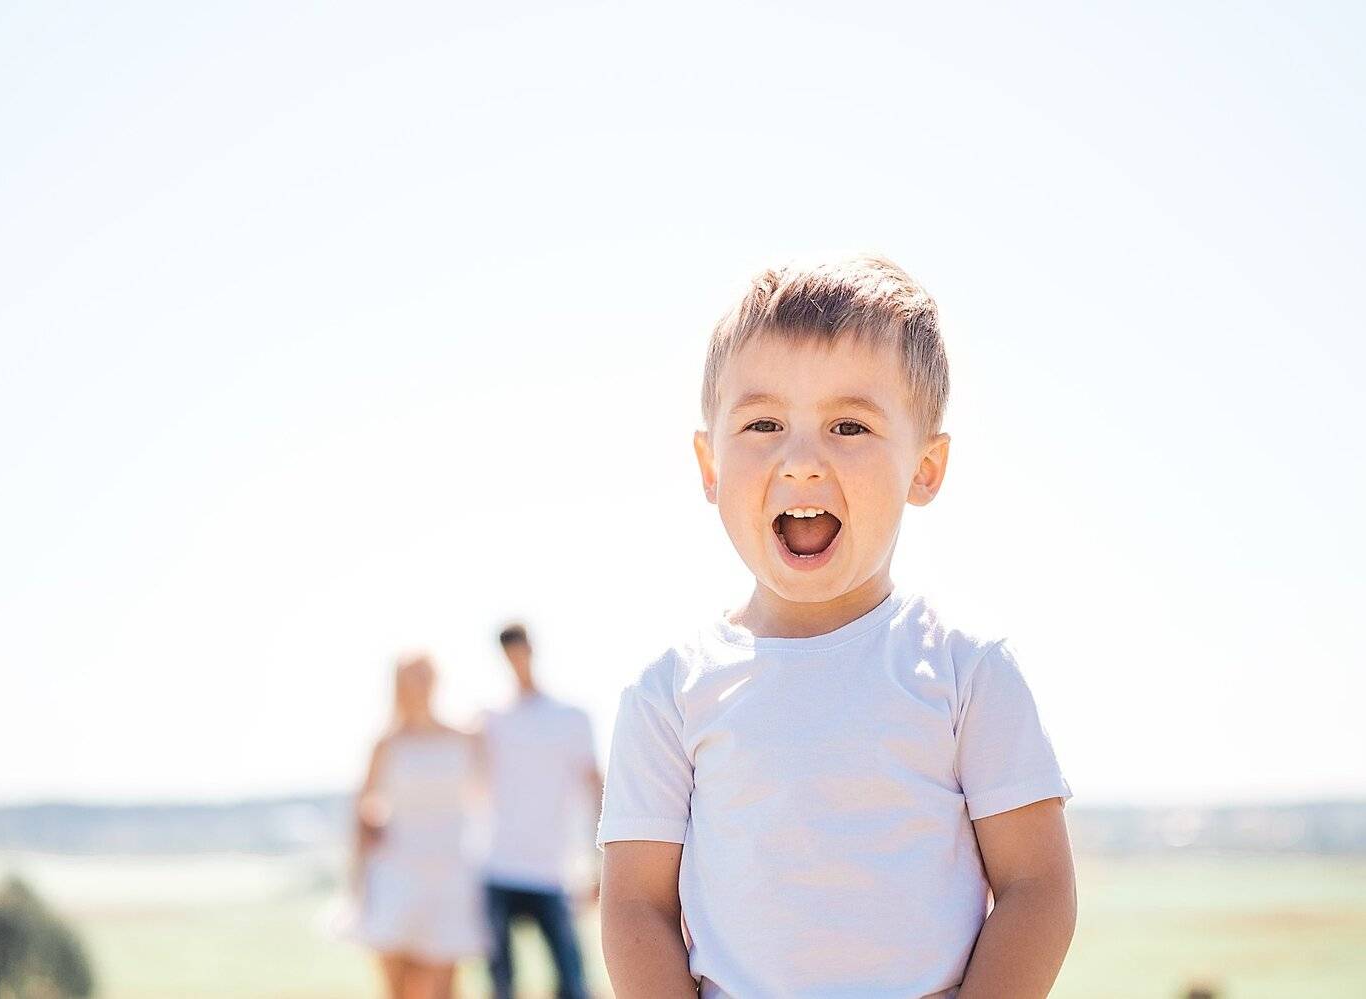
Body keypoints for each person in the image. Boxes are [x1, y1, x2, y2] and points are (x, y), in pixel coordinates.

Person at [597, 254, 1077, 998]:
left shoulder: (967, 672)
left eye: (849, 425)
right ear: (709, 463)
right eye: (763, 423)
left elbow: (1037, 887)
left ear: (926, 466)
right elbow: (635, 905)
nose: (802, 462)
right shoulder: (669, 694)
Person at [348, 652, 485, 999]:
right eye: (411, 679)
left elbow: (492, 798)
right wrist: (357, 878)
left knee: (445, 982)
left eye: (425, 677)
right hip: (397, 869)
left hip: (450, 868)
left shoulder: (466, 737)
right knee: (397, 978)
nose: (419, 687)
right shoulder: (386, 743)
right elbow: (361, 811)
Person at [479, 623, 603, 999]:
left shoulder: (570, 718)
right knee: (502, 985)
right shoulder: (487, 720)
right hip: (497, 867)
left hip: (553, 871)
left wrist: (599, 865)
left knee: (572, 983)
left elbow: (596, 791)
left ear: (531, 649)